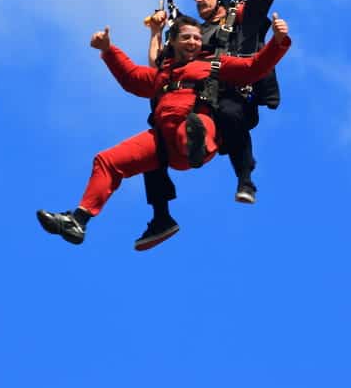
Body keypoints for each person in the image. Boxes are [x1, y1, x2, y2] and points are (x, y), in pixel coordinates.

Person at [36, 13, 291, 247]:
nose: (193, 41)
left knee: (191, 127)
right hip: (163, 143)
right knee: (107, 160)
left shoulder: (213, 64)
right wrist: (107, 50)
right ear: (174, 42)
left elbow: (253, 68)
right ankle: (79, 219)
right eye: (186, 37)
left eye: (196, 37)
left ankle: (195, 143)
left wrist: (277, 42)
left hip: (198, 131)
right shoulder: (163, 74)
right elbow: (132, 78)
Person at [135, 0, 280, 250]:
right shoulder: (191, 33)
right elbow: (160, 67)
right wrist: (157, 33)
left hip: (228, 93)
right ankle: (161, 217)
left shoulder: (241, 22)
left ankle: (245, 179)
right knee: (155, 139)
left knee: (231, 112)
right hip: (193, 98)